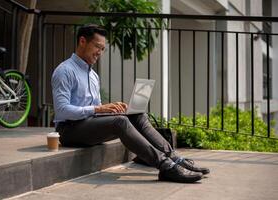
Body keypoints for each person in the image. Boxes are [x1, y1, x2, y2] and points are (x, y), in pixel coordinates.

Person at [51, 24, 210, 183]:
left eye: (103, 49)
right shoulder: (64, 71)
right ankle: (166, 166)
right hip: (69, 130)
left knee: (136, 115)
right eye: (97, 47)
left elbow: (94, 111)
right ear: (82, 41)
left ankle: (175, 158)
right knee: (120, 121)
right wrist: (99, 108)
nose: (100, 52)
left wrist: (112, 109)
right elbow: (62, 111)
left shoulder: (93, 75)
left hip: (88, 125)